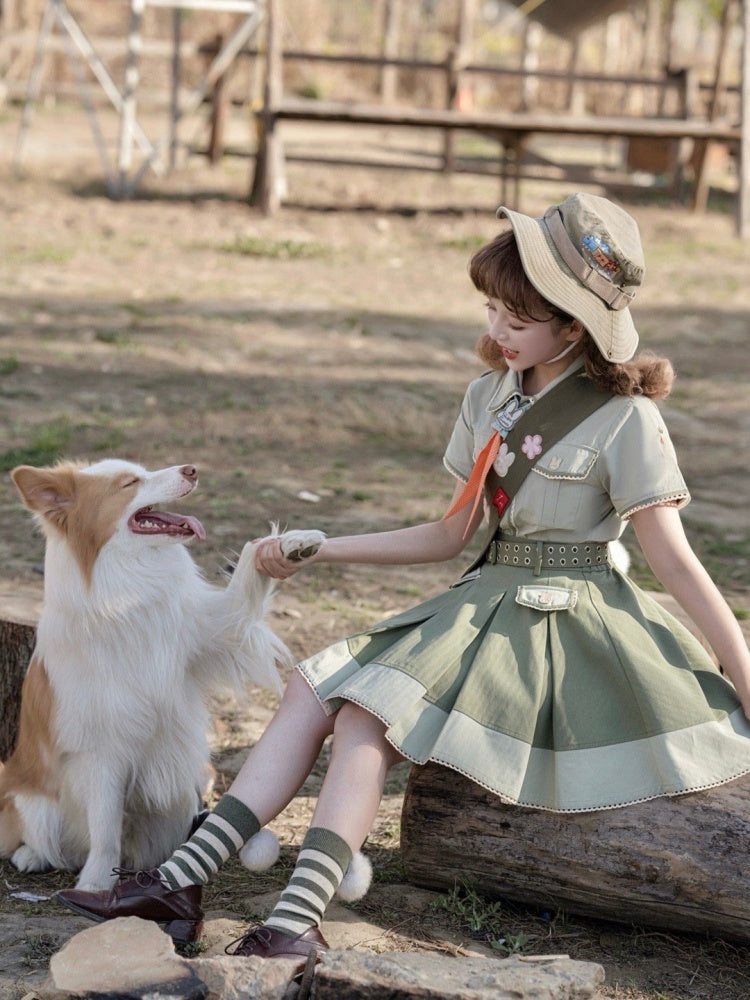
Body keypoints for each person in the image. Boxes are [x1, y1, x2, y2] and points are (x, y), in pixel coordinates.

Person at [57, 192, 750, 968]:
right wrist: (322, 547)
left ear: (573, 326)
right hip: (488, 601)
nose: (495, 331)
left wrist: (742, 672)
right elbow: (452, 534)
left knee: (365, 715)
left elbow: (675, 562)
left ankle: (294, 920)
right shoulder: (490, 397)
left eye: (515, 322)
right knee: (312, 689)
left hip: (566, 626)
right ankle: (179, 885)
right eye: (490, 310)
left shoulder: (626, 419)